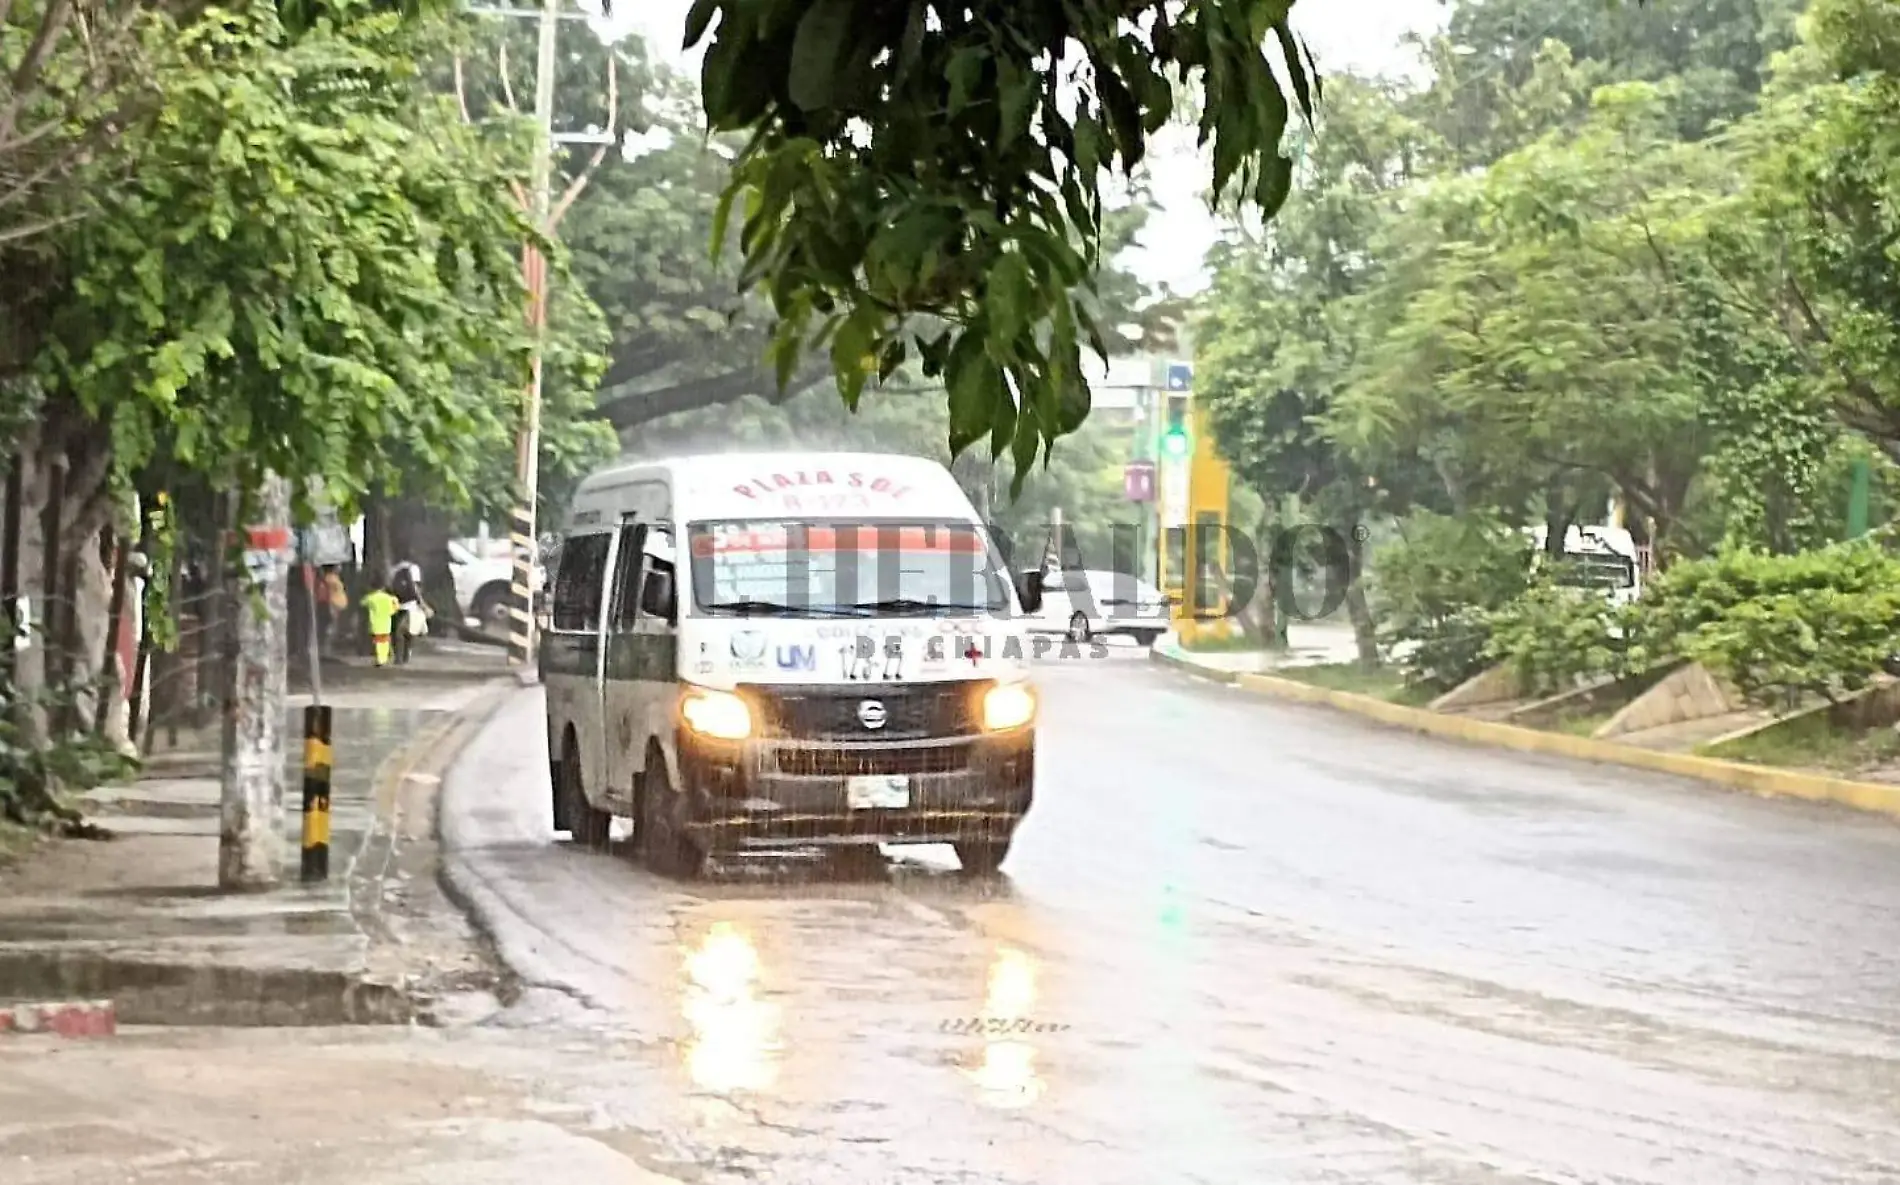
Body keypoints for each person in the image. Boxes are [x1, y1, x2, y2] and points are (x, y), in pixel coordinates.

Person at [389, 561, 425, 665]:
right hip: (408, 605)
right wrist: (421, 602)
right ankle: (403, 655)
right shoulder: (413, 567)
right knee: (404, 632)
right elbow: (416, 588)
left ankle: (400, 657)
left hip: (399, 604)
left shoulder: (394, 567)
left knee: (400, 631)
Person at [362, 582, 401, 668]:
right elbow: (397, 607)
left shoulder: (370, 597)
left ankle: (380, 659)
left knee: (378, 642)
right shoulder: (390, 598)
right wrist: (392, 611)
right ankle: (383, 658)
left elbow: (362, 603)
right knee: (385, 641)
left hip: (375, 623)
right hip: (386, 623)